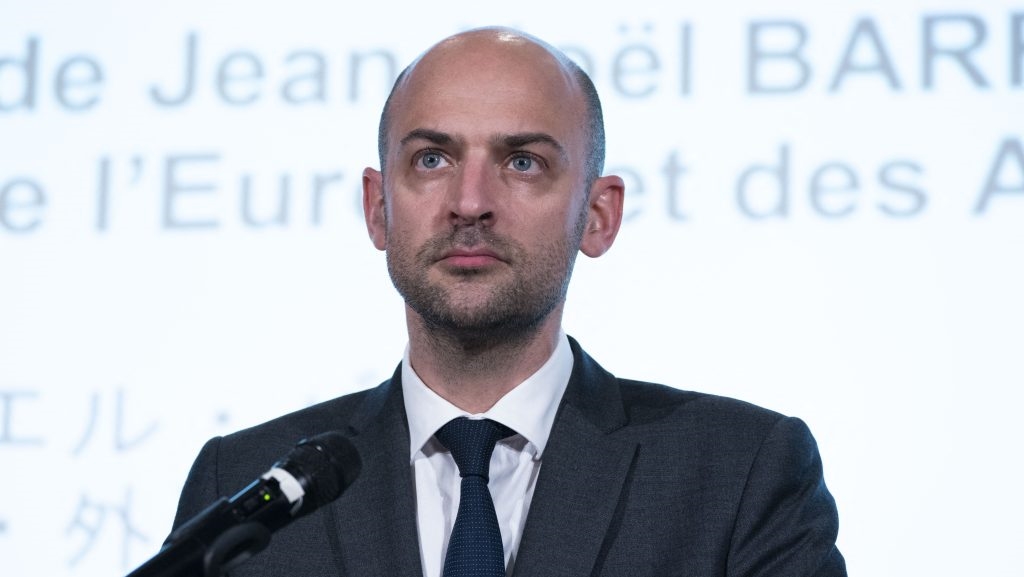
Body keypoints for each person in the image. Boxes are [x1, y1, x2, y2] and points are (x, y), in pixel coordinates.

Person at [170, 27, 846, 576]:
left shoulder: (738, 473)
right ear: (378, 209)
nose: (470, 203)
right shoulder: (245, 485)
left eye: (523, 162)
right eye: (431, 159)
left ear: (598, 215)